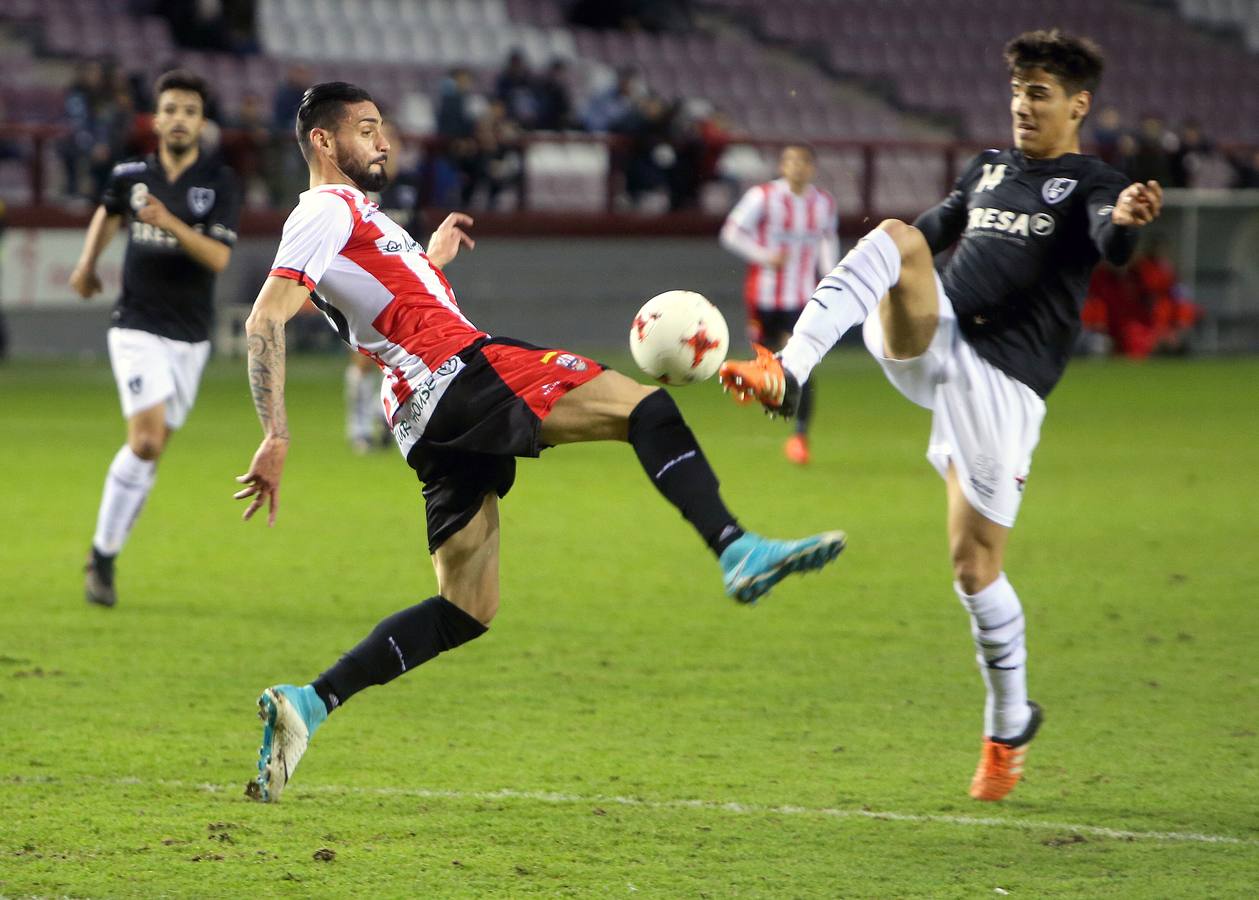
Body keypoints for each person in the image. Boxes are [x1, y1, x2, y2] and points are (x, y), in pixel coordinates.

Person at [234, 82, 846, 802]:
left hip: (422, 418)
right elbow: (264, 320)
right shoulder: (324, 208)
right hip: (463, 374)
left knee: (466, 606)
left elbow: (373, 305)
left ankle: (308, 704)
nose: (385, 142)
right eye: (367, 130)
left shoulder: (354, 220)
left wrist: (428, 259)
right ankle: (735, 549)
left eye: (384, 129)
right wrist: (275, 433)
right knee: (645, 410)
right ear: (323, 142)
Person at [719, 30, 1162, 801]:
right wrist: (892, 264)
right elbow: (927, 233)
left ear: (1076, 105)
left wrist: (1123, 218)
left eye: (1041, 94)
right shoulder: (986, 168)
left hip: (1004, 385)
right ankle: (787, 369)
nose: (1024, 106)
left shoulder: (1092, 181)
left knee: (973, 567)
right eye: (1019, 91)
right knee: (893, 236)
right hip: (941, 340)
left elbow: (1108, 243)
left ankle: (1008, 720)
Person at [70, 69, 240, 608]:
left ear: (202, 122)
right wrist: (86, 263)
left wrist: (169, 223)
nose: (180, 119)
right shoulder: (131, 173)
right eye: (171, 109)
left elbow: (217, 257)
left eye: (190, 111)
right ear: (156, 118)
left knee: (150, 453)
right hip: (136, 323)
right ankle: (102, 559)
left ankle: (105, 552)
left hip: (189, 335)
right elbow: (109, 210)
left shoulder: (220, 182)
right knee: (143, 440)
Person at [720, 144, 838, 465]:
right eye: (790, 161)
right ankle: (760, 385)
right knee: (766, 358)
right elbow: (731, 232)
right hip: (763, 296)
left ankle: (800, 436)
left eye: (803, 162)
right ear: (782, 166)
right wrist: (764, 256)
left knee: (801, 360)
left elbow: (828, 241)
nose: (796, 167)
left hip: (801, 297)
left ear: (811, 168)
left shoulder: (823, 203)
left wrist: (830, 280)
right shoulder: (763, 196)